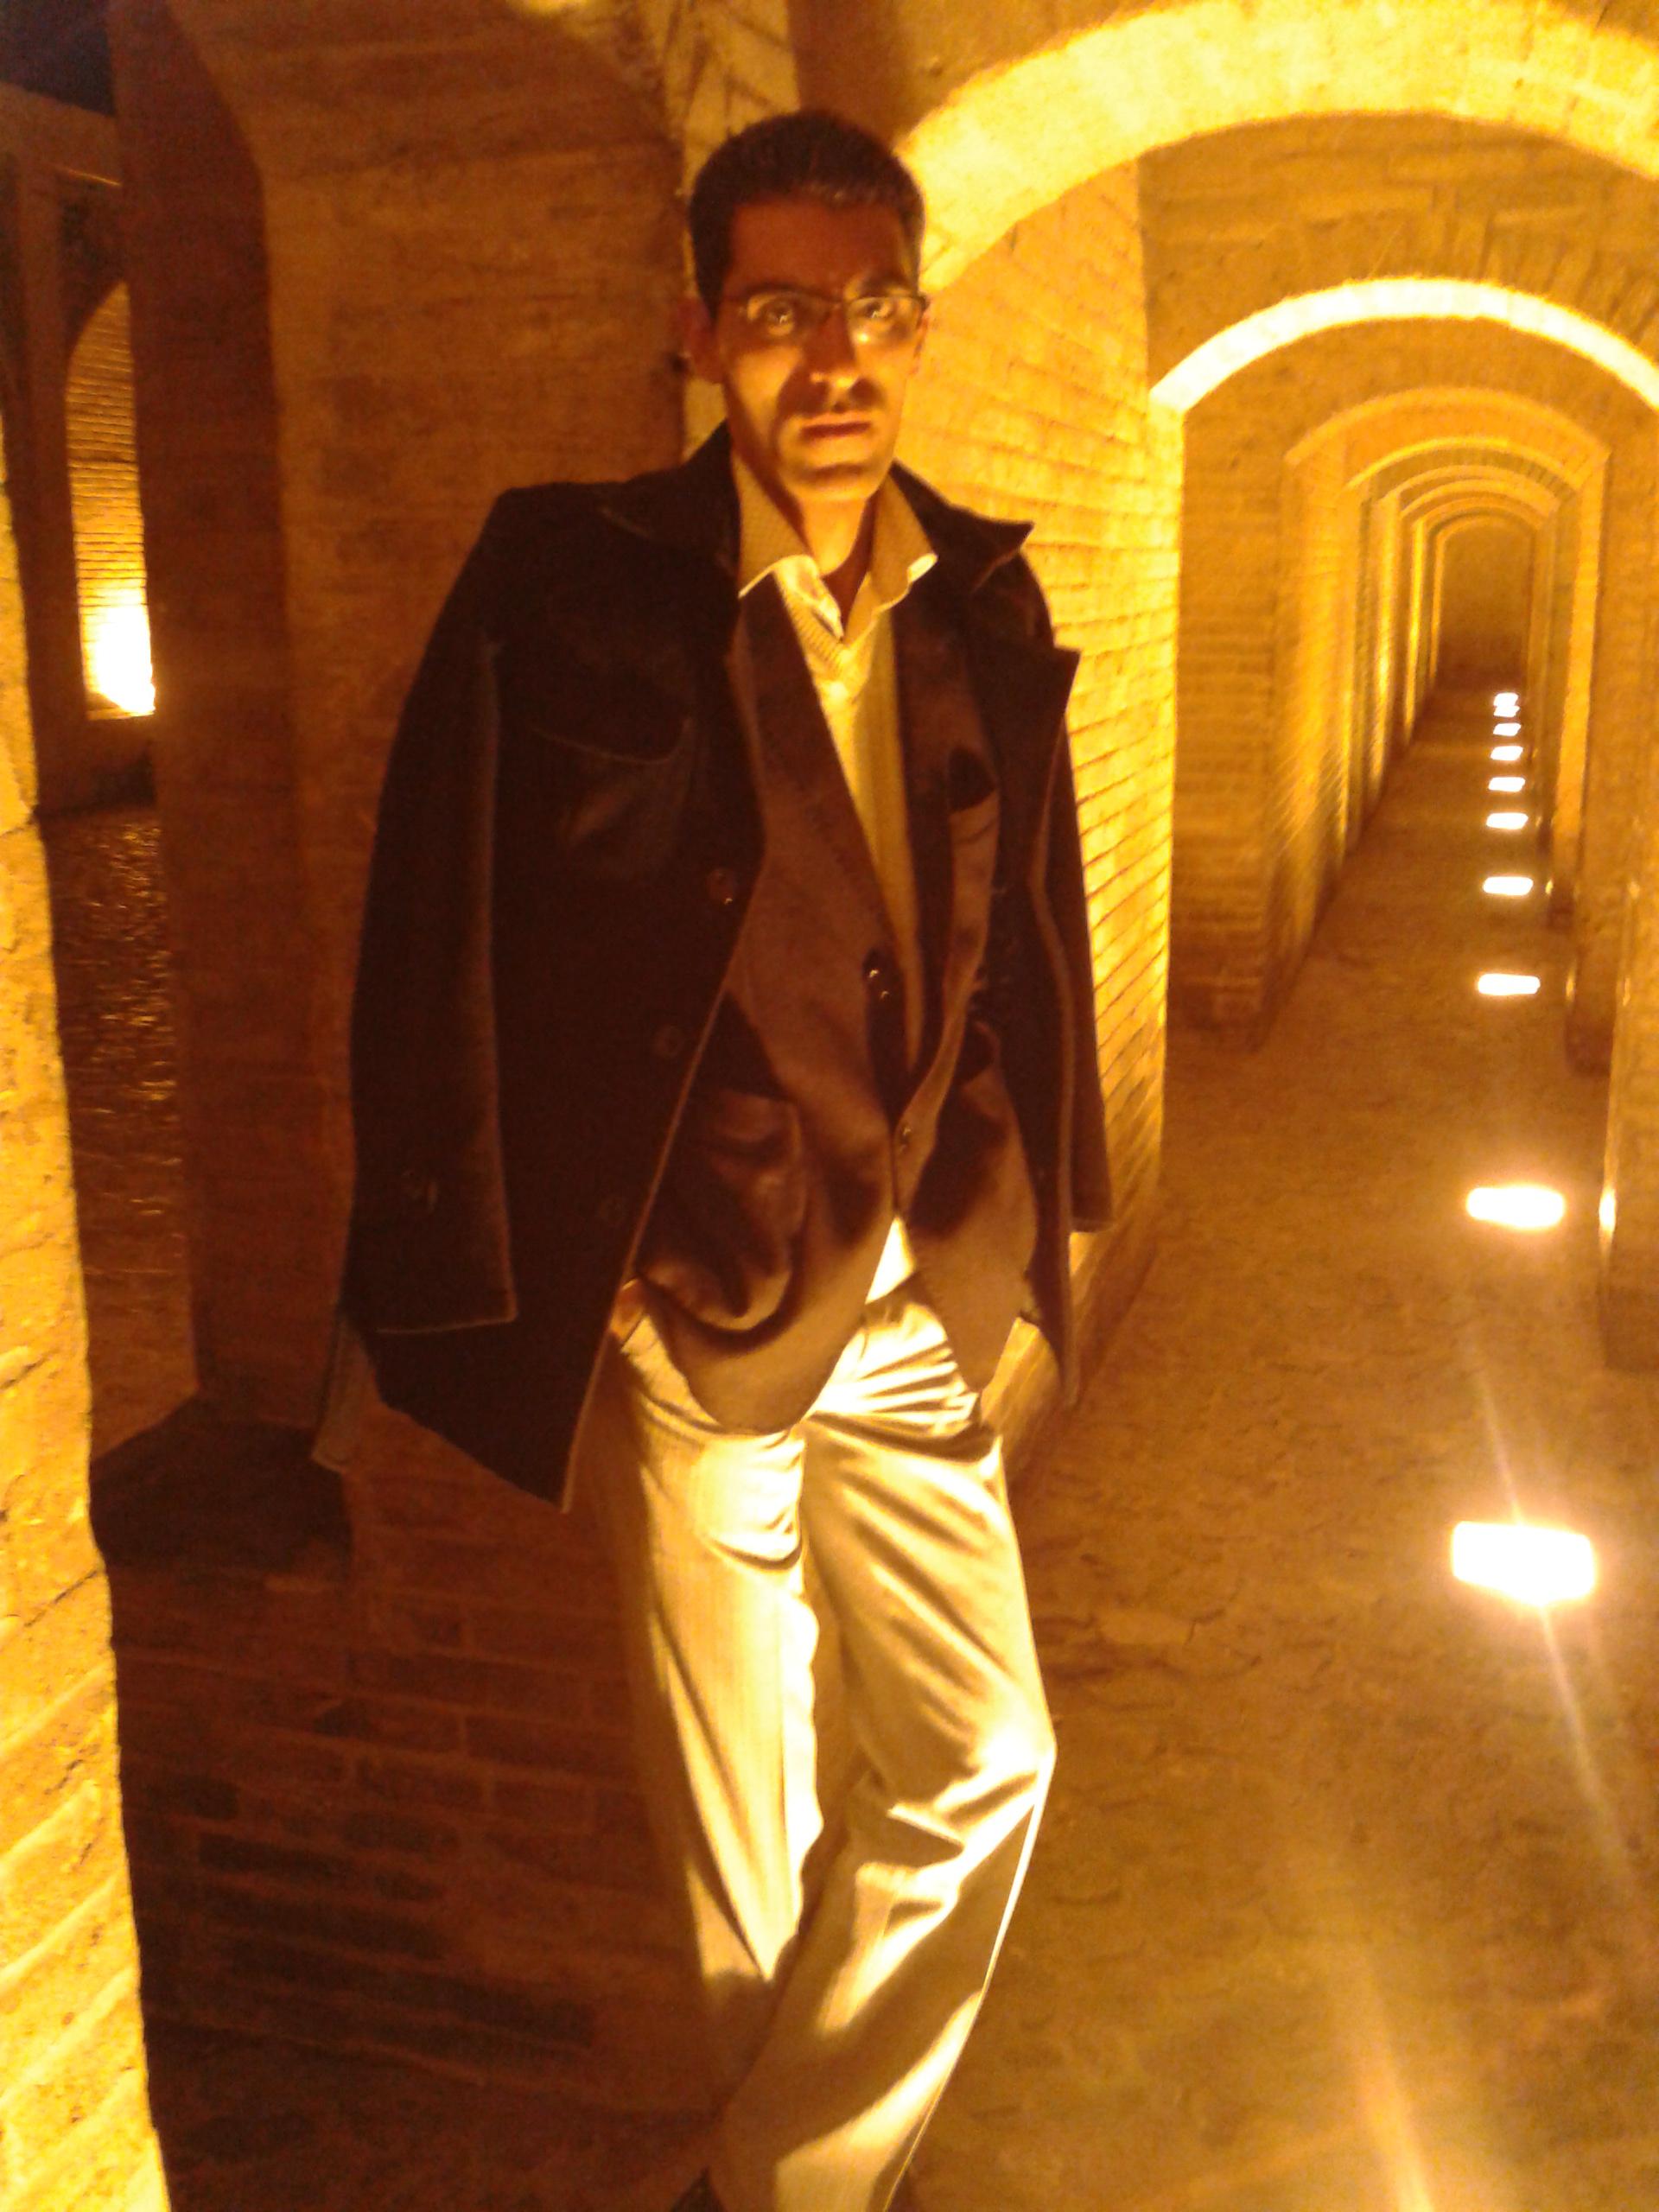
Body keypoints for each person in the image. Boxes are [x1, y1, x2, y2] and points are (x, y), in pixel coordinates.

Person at [332, 109, 1109, 2212]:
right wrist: (538, 1281)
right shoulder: (562, 579)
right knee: (745, 1851)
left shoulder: (981, 593)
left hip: (918, 1288)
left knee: (986, 1756)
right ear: (700, 332)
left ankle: (768, 2182)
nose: (833, 358)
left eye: (872, 309)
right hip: (689, 1303)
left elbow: (1025, 937)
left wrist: (1028, 1221)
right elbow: (437, 933)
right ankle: (818, 2190)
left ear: (917, 325)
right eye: (780, 313)